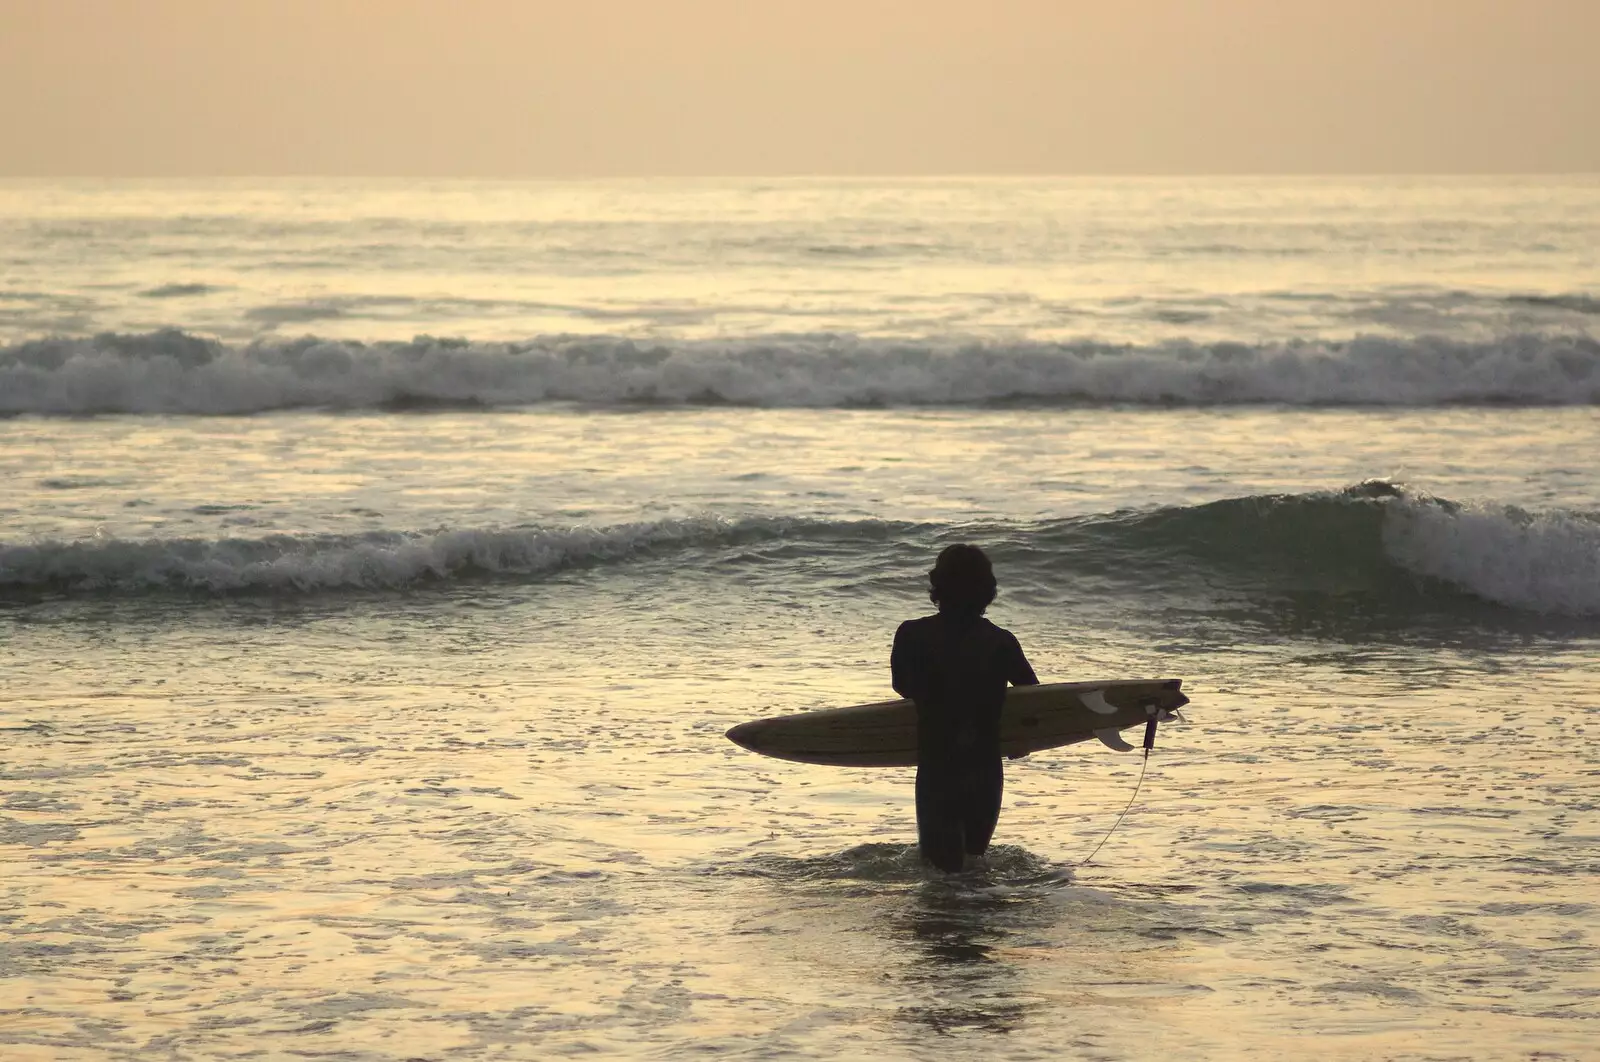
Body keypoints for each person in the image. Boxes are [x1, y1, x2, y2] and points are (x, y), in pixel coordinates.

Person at [891, 544, 1038, 873]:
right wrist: (1022, 739)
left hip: (938, 766)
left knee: (940, 873)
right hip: (984, 769)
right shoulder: (1001, 641)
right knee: (974, 866)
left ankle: (944, 921)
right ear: (987, 591)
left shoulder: (912, 634)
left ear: (938, 585)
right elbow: (1033, 697)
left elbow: (901, 685)